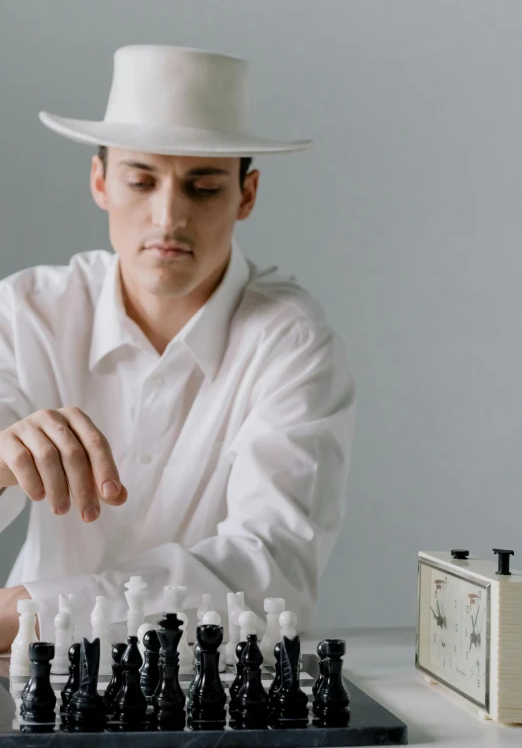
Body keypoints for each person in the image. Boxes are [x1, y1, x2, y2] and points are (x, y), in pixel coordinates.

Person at [0, 45, 357, 650]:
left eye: (204, 187)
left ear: (246, 196)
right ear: (100, 182)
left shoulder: (292, 343)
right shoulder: (25, 311)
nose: (168, 216)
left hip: (204, 702)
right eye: (141, 180)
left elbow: (272, 573)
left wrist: (28, 612)